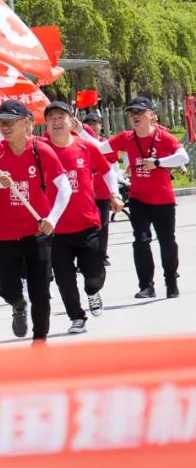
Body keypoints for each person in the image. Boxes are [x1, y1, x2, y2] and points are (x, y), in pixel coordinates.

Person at [0, 99, 71, 342]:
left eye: (10, 122)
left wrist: (52, 218)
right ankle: (17, 304)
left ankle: (39, 340)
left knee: (40, 292)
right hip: (4, 235)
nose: (4, 127)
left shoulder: (40, 150)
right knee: (8, 290)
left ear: (26, 123)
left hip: (37, 232)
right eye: (1, 122)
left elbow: (64, 187)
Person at [79, 96, 189, 298]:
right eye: (131, 113)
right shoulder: (126, 138)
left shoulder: (163, 137)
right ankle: (146, 285)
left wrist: (158, 162)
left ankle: (171, 281)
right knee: (140, 240)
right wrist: (80, 131)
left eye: (139, 112)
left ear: (151, 115)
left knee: (167, 242)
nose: (135, 116)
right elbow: (100, 148)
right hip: (139, 199)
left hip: (163, 200)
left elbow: (184, 157)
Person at [41, 101, 122, 334]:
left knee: (94, 275)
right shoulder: (40, 150)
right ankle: (76, 317)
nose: (57, 122)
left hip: (87, 223)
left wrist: (114, 194)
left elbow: (107, 172)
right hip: (55, 228)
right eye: (52, 118)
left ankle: (93, 292)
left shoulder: (85, 147)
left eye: (61, 117)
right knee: (64, 279)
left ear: (71, 121)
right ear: (46, 124)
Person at [81, 110, 122, 266]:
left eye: (95, 123)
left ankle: (102, 255)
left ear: (100, 126)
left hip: (103, 191)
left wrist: (114, 189)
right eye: (88, 124)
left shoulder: (105, 143)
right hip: (86, 193)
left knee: (103, 225)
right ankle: (85, 258)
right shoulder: (79, 143)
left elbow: (114, 166)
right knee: (86, 227)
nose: (92, 126)